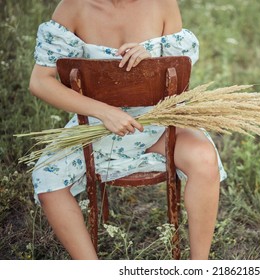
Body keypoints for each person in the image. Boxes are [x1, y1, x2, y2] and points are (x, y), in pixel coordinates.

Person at [29, 0, 227, 260]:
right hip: (98, 126)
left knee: (204, 157)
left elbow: (180, 80)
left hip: (158, 122)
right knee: (46, 177)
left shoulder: (163, 4)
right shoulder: (74, 7)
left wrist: (155, 61)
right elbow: (40, 82)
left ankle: (198, 268)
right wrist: (104, 112)